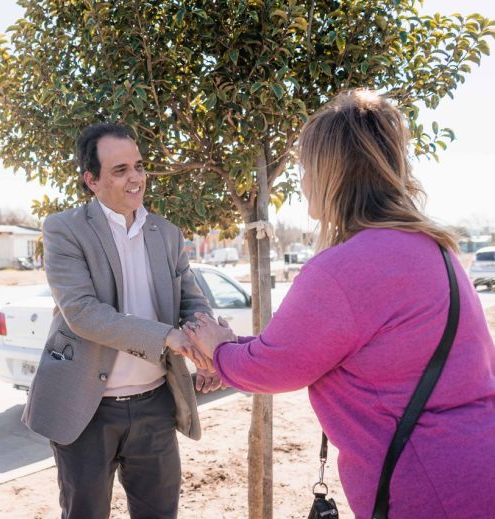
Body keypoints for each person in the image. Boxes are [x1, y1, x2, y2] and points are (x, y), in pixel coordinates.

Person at [182, 89, 495, 518]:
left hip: (426, 487)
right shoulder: (434, 249)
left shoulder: (345, 267)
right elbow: (314, 347)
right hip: (474, 464)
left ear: (331, 172)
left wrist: (218, 349)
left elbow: (275, 365)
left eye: (305, 167)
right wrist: (229, 358)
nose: (302, 180)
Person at [22, 123, 221, 519]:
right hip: (86, 410)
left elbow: (193, 301)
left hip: (155, 407)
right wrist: (168, 337)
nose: (136, 178)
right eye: (120, 170)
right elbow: (82, 312)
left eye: (139, 166)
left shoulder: (166, 234)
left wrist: (208, 345)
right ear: (91, 180)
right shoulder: (63, 230)